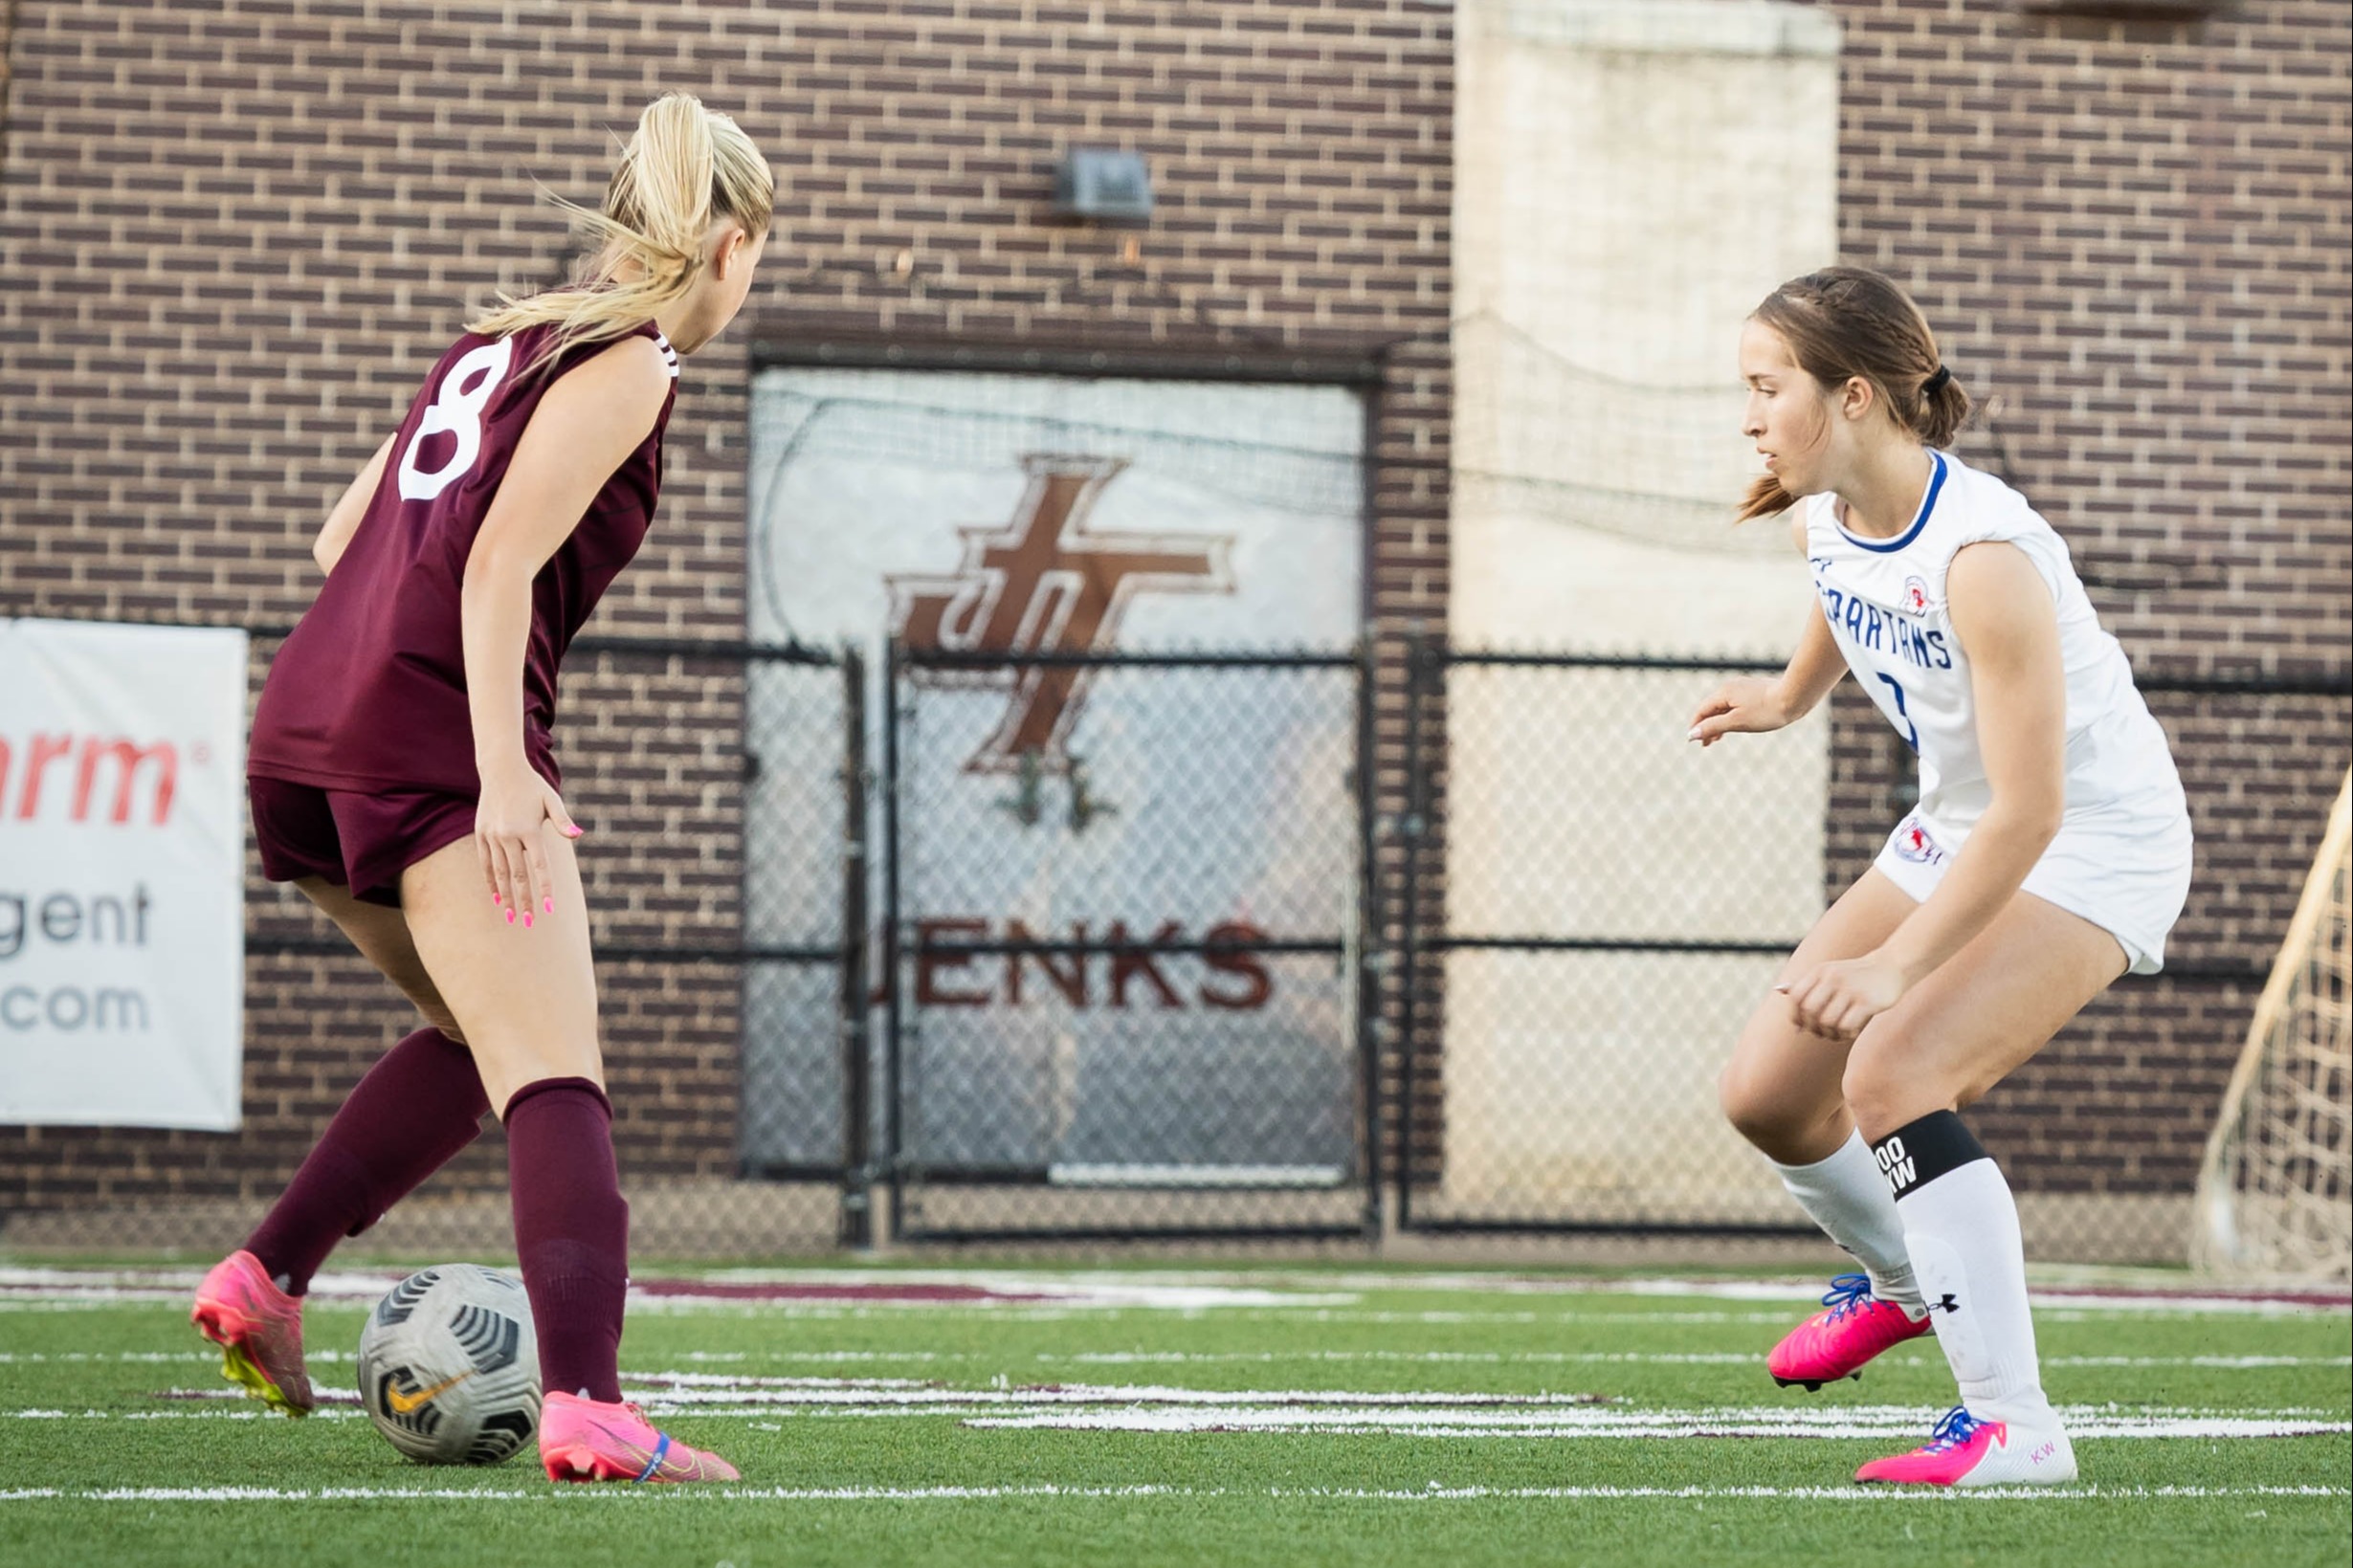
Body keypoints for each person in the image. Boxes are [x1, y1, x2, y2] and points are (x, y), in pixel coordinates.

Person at [189, 92, 772, 1486]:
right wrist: (502, 773)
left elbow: (346, 535)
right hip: (436, 740)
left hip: (312, 722)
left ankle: (266, 1276)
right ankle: (588, 1402)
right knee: (559, 1067)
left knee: (479, 1037)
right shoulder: (631, 360)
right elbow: (502, 560)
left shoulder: (503, 339)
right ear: (732, 242)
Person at [1691, 267, 2192, 1487]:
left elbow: (2033, 808)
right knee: (1767, 1091)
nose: (1750, 417)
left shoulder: (1987, 555)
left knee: (1895, 1068)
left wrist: (1894, 968)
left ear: (1852, 395)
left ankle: (2014, 1427)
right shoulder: (1825, 509)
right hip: (1960, 821)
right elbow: (1839, 586)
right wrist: (1783, 698)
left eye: (1768, 390)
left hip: (2094, 837)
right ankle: (1908, 1279)